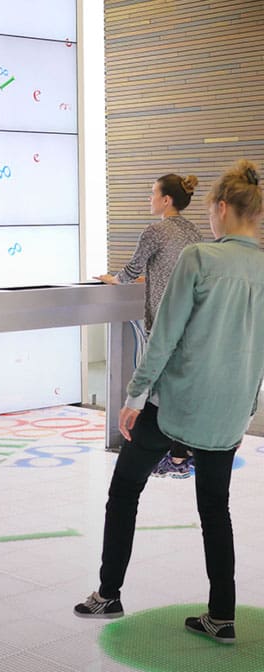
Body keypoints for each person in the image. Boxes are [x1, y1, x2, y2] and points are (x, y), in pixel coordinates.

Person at [74, 159, 264, 645]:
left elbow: (164, 339)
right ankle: (221, 615)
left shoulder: (200, 258)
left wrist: (135, 396)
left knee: (124, 492)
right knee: (214, 511)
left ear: (221, 208)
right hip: (228, 411)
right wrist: (248, 404)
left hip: (174, 406)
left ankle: (108, 593)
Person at [95, 173, 203, 479]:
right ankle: (183, 452)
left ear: (166, 200)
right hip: (191, 321)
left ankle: (175, 457)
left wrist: (113, 279)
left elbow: (131, 269)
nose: (149, 199)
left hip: (164, 321)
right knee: (179, 388)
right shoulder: (193, 232)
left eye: (152, 193)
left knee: (157, 388)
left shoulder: (155, 231)